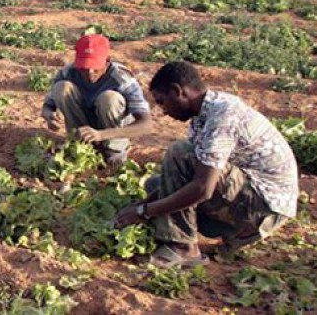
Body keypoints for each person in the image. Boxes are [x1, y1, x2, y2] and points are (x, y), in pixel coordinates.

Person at [115, 61, 298, 267]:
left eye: (163, 102)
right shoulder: (201, 117)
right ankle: (212, 235)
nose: (164, 112)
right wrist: (143, 204)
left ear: (178, 91)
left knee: (180, 153)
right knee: (156, 185)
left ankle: (184, 249)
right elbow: (188, 179)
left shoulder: (223, 115)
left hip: (264, 208)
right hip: (249, 198)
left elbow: (203, 188)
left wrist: (145, 212)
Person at [41, 34, 153, 166]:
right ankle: (80, 142)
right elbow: (47, 107)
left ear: (107, 61)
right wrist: (49, 116)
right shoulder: (68, 73)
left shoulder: (121, 78)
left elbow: (146, 124)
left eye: (95, 67)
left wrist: (101, 135)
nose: (89, 74)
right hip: (84, 125)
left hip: (112, 129)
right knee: (62, 87)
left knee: (109, 98)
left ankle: (114, 149)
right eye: (84, 68)